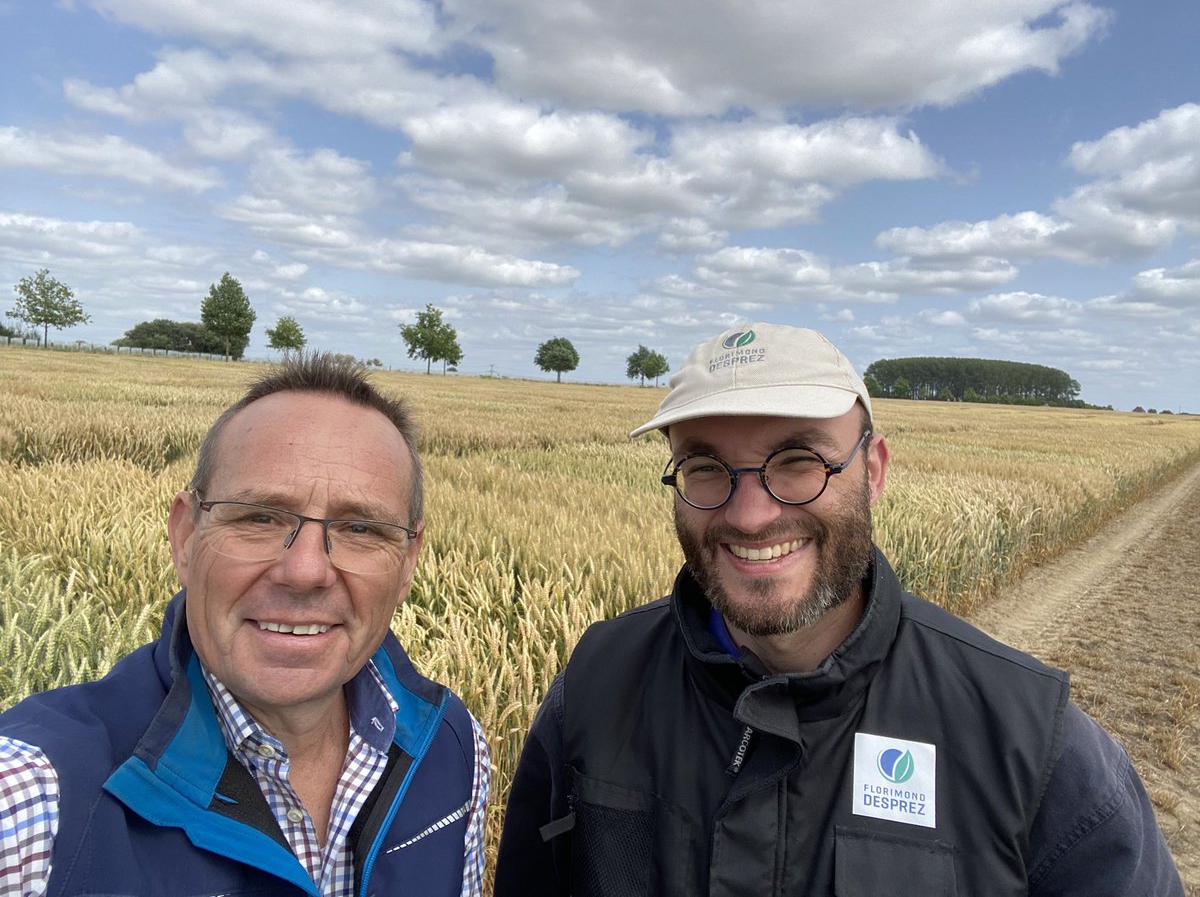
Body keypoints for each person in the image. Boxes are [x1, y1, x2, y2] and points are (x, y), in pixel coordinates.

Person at [494, 323, 1183, 896]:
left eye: (797, 460)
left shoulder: (1032, 741)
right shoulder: (594, 684)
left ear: (874, 470)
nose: (752, 514)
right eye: (705, 467)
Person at [0, 353, 489, 896]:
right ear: (185, 537)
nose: (305, 571)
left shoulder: (452, 748)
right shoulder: (32, 802)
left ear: (408, 562)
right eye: (260, 517)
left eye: (359, 528)